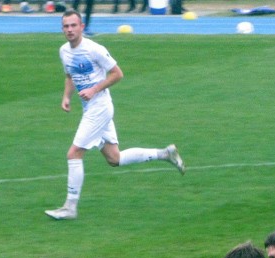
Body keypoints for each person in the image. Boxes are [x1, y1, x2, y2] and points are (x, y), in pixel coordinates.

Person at [47, 10, 185, 220]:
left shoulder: (95, 49)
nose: (70, 30)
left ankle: (70, 207)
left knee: (73, 154)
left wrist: (94, 89)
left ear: (82, 27)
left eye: (74, 25)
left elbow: (117, 74)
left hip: (99, 107)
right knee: (114, 158)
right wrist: (66, 97)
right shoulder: (64, 51)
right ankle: (165, 153)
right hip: (90, 108)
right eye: (66, 26)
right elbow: (69, 75)